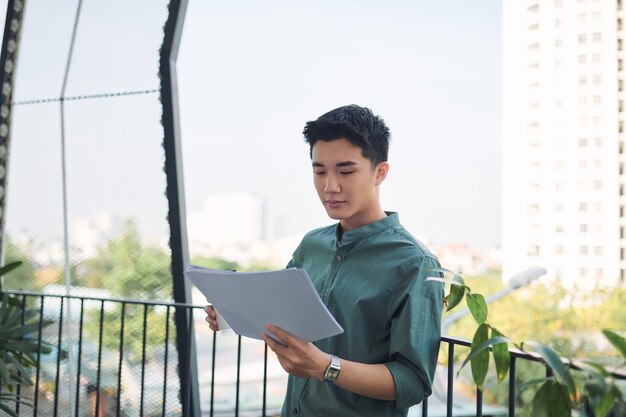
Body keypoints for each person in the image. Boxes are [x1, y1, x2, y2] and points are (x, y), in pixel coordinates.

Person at [205, 104, 443, 417]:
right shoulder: (312, 245)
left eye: (345, 171)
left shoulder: (414, 264)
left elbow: (412, 382)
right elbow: (279, 310)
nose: (330, 186)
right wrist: (230, 313)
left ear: (380, 172)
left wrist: (326, 368)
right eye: (319, 172)